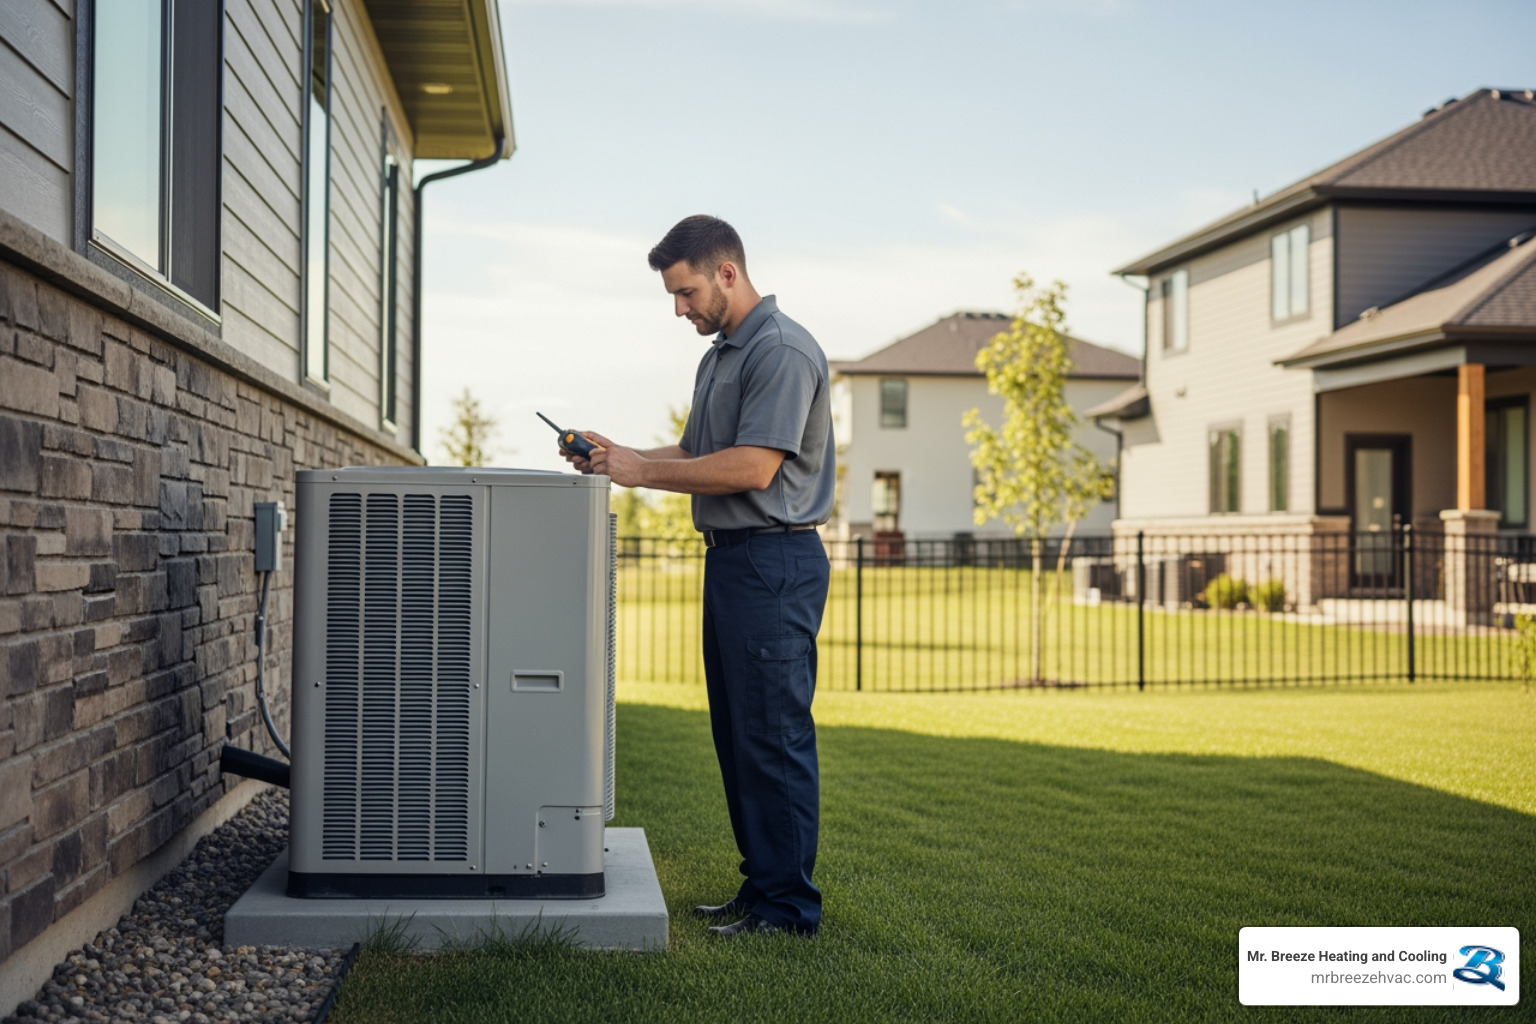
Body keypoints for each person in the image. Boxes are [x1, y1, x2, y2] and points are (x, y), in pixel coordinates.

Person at [562, 215, 834, 937]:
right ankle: (764, 885)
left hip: (775, 562)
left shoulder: (779, 350)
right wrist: (616, 454)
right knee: (741, 735)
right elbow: (694, 450)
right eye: (672, 296)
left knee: (774, 736)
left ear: (727, 273)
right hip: (736, 563)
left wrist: (641, 472)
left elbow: (753, 466)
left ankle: (790, 909)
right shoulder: (720, 356)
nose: (678, 309)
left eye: (685, 293)